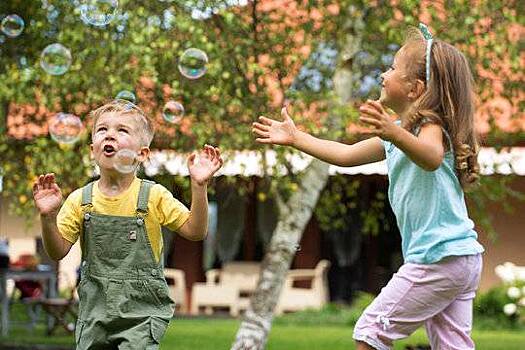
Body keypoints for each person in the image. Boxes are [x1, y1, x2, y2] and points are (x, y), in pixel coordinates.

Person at [252, 24, 484, 350]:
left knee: (370, 331)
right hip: (458, 259)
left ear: (415, 88)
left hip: (440, 256)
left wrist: (395, 133)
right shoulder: (398, 136)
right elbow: (345, 155)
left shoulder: (431, 126)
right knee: (451, 346)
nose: (383, 74)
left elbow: (431, 158)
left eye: (391, 68)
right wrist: (296, 138)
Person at [32, 99, 223, 349]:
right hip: (94, 313)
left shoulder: (154, 196)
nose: (110, 135)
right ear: (93, 149)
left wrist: (199, 188)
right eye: (103, 129)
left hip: (141, 314)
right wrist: (47, 217)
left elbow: (196, 232)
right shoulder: (80, 199)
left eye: (122, 130)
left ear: (142, 154)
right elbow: (57, 251)